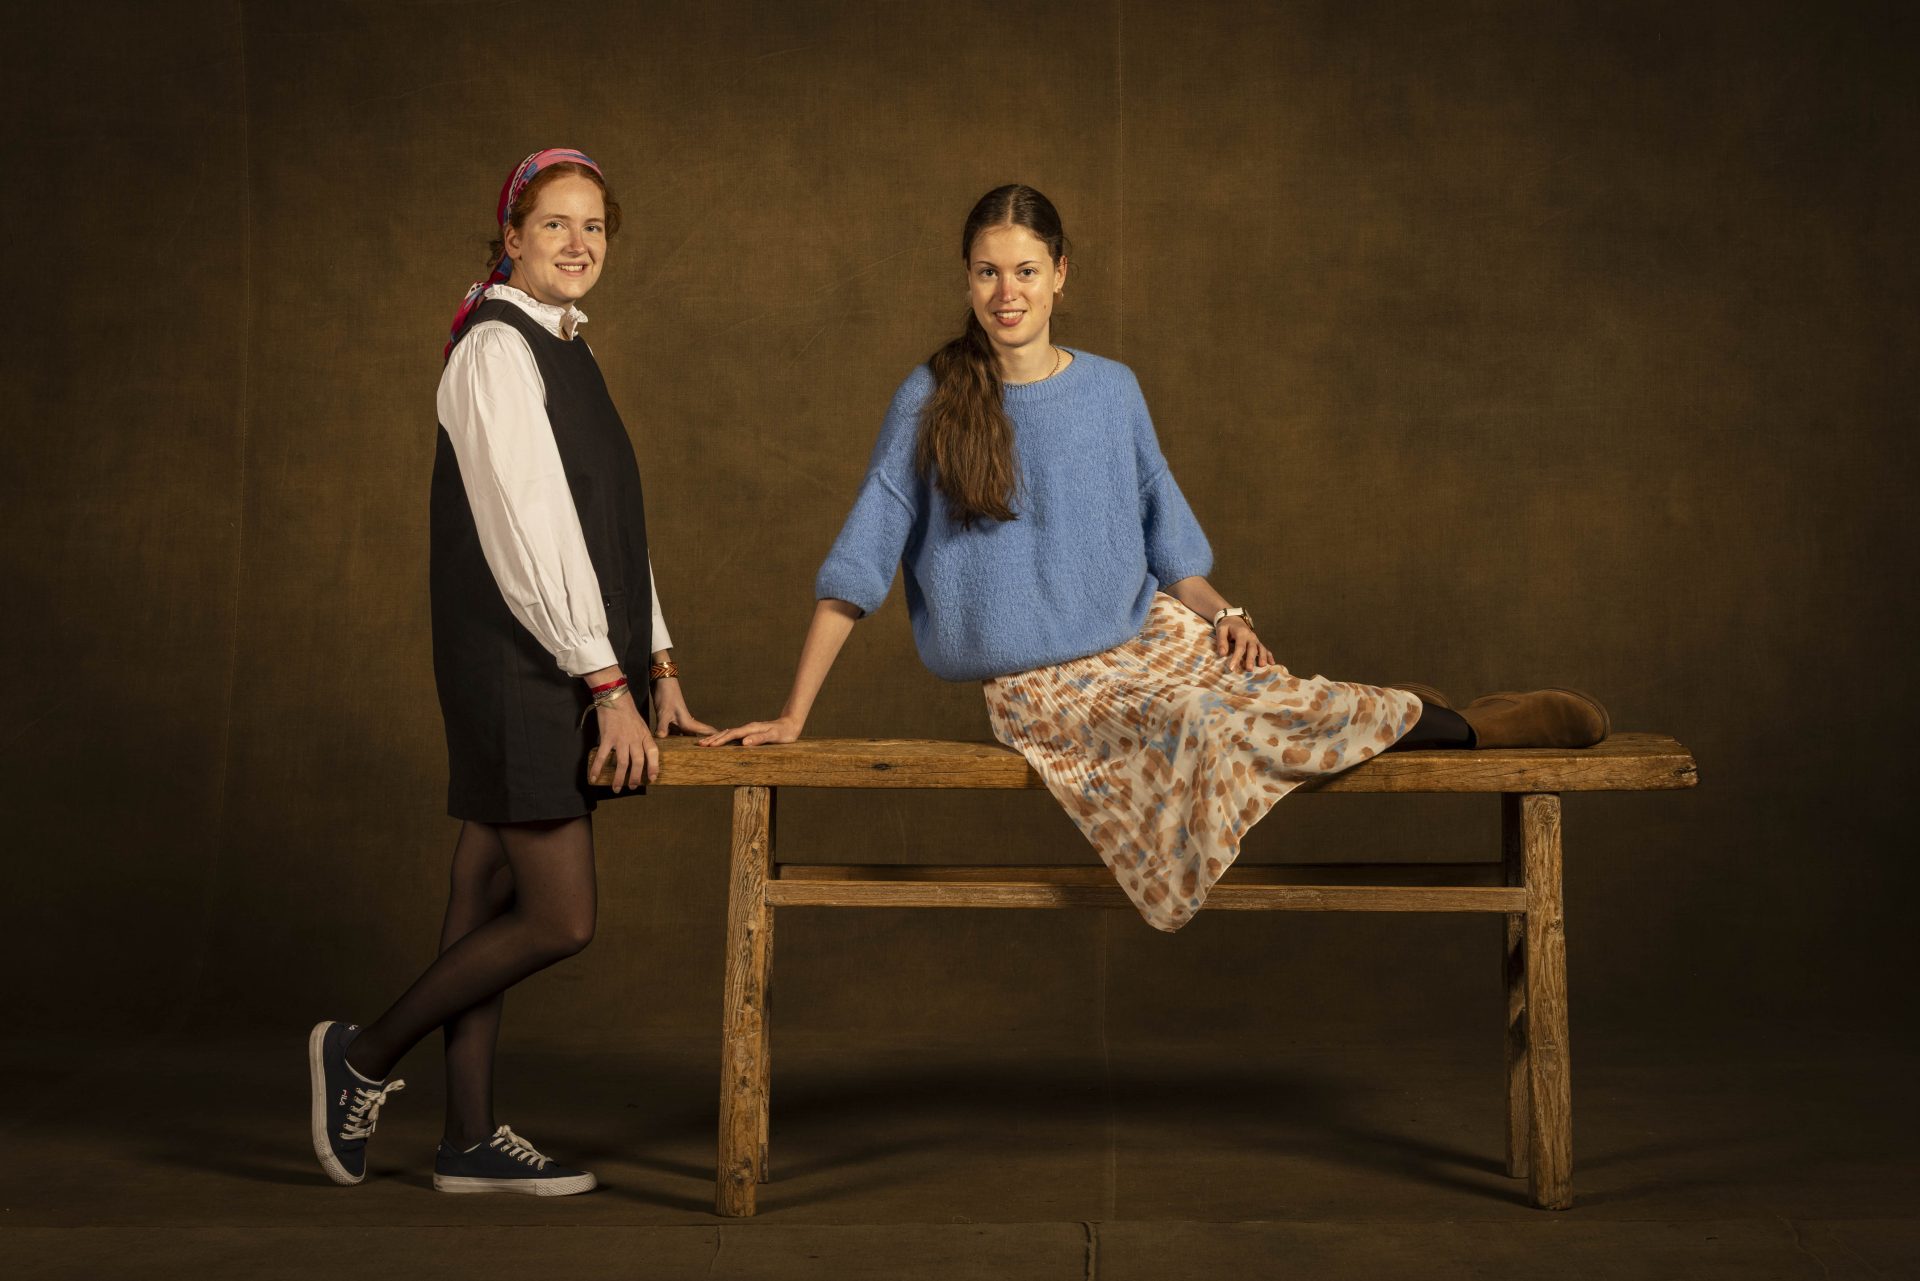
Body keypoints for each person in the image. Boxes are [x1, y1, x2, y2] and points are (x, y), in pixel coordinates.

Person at [700, 183, 1607, 933]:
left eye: (1026, 270)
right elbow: (859, 560)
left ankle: (1463, 723)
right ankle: (1414, 715)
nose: (1007, 292)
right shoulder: (930, 397)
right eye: (988, 272)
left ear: (1061, 274)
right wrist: (792, 714)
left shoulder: (1112, 390)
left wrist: (1227, 614)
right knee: (1206, 721)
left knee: (1248, 697)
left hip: (1151, 636)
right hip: (1043, 686)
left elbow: (1170, 546)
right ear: (967, 279)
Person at [307, 148, 713, 1195]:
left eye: (594, 226)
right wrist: (606, 685)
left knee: (484, 892)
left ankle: (468, 1141)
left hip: (570, 659)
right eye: (555, 225)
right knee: (560, 917)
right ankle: (361, 1055)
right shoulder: (494, 350)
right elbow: (529, 536)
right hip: (519, 664)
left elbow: (608, 528)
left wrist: (656, 660)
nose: (579, 244)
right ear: (512, 237)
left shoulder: (568, 344)